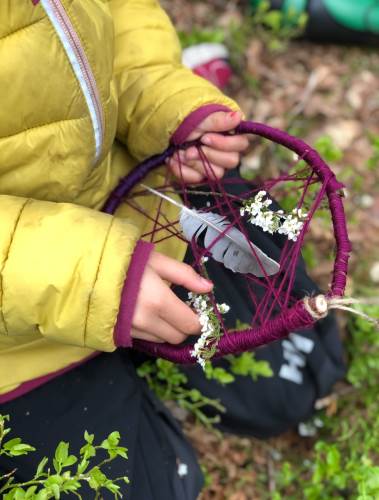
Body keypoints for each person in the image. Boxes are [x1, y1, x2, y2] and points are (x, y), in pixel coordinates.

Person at [0, 1, 345, 498]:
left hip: (145, 203)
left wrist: (163, 99)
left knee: (293, 382)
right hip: (19, 336)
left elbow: (119, 14)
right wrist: (89, 276)